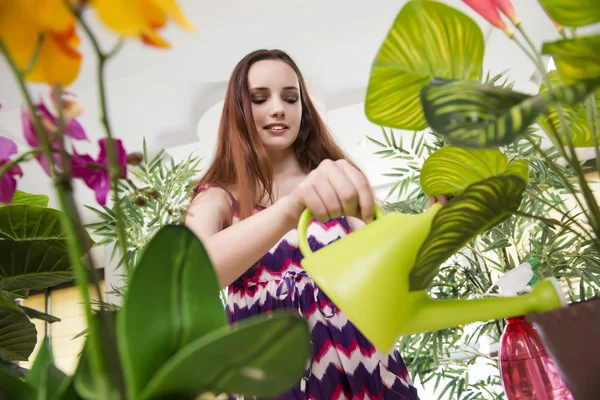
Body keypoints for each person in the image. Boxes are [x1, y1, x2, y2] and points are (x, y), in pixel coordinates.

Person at [186, 49, 439, 399]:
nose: (278, 108)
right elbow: (190, 276)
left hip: (365, 369)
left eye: (291, 98)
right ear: (238, 110)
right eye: (260, 98)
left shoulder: (335, 183)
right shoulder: (216, 197)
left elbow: (387, 276)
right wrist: (291, 208)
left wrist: (433, 226)